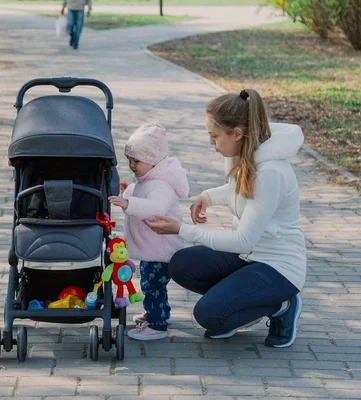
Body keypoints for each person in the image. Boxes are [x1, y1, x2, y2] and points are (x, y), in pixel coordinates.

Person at [144, 89, 307, 348]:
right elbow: (240, 190)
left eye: (214, 136)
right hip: (248, 258)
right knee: (181, 263)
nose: (212, 143)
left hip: (277, 267)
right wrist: (209, 196)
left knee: (208, 315)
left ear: (237, 134)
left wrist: (182, 229)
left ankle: (280, 305)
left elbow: (243, 240)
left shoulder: (271, 172)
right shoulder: (247, 155)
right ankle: (237, 302)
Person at [109, 123, 189, 341]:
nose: (132, 166)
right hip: (153, 248)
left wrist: (128, 203)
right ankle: (160, 312)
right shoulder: (149, 179)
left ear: (153, 161)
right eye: (130, 161)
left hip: (160, 249)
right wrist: (129, 191)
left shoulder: (161, 184)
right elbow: (143, 194)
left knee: (151, 284)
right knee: (156, 284)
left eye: (136, 161)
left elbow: (156, 208)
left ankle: (157, 325)